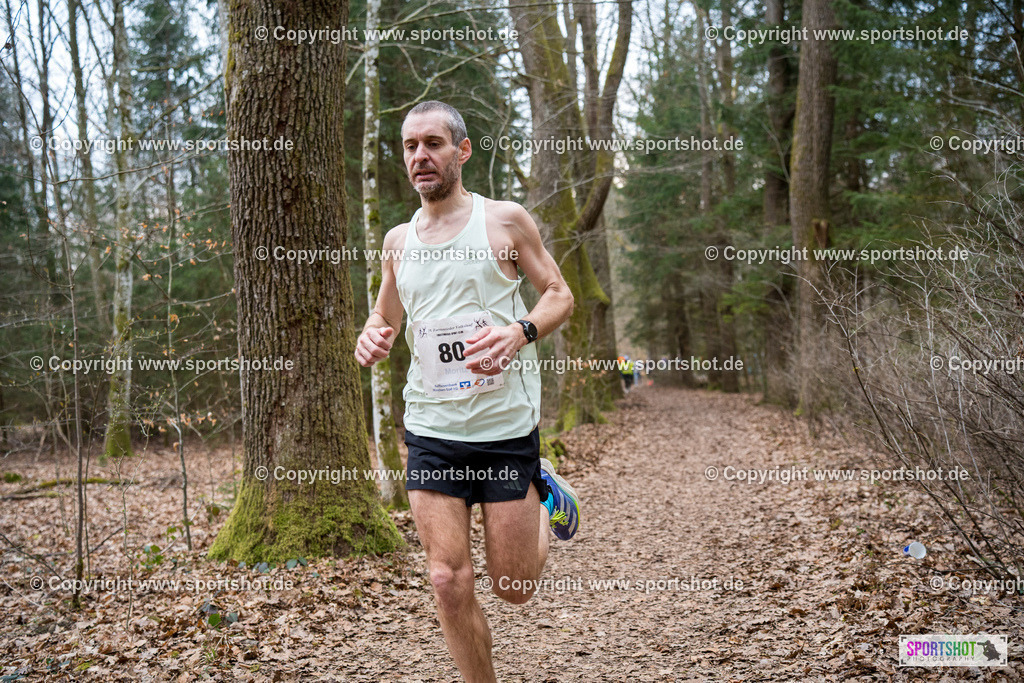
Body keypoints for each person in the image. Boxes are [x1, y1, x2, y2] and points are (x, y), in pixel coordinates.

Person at [354, 101, 580, 682]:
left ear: (462, 151)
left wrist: (519, 331)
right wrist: (371, 338)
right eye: (410, 146)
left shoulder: (504, 221)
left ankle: (544, 490)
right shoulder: (399, 240)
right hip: (431, 430)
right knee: (447, 580)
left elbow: (559, 293)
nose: (420, 156)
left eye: (433, 143)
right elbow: (386, 317)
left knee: (513, 588)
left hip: (504, 430)